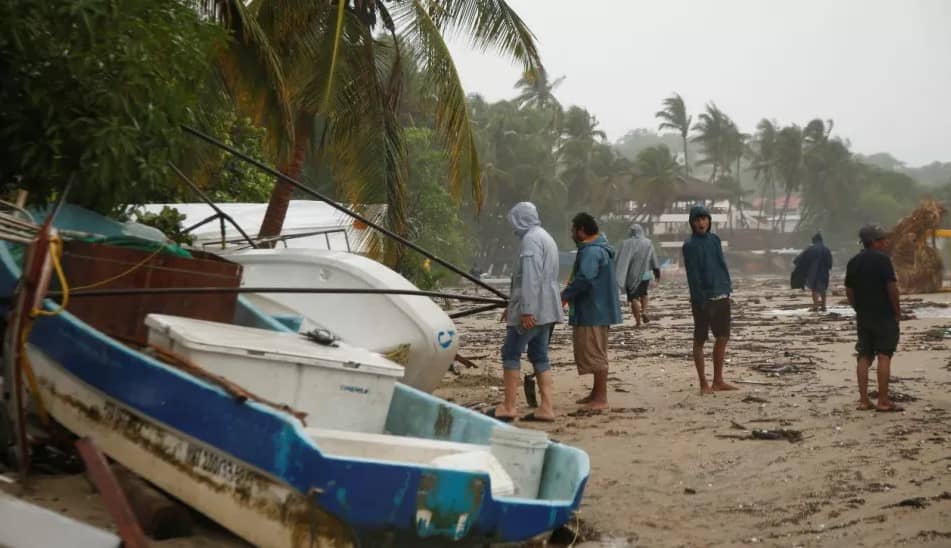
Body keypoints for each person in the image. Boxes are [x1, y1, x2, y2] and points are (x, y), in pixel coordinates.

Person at [491, 202, 563, 422]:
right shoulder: (546, 237)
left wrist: (526, 311)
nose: (513, 226)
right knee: (540, 355)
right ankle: (546, 407)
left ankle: (509, 406)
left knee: (511, 353)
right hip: (548, 310)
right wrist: (511, 307)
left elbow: (530, 279)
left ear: (520, 219)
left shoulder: (530, 240)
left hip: (534, 310)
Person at [562, 213, 622, 410]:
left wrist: (565, 295)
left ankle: (601, 398)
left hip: (593, 310)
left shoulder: (591, 252)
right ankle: (596, 393)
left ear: (580, 230)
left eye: (573, 230)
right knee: (598, 352)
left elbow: (585, 279)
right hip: (600, 309)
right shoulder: (599, 249)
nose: (572, 234)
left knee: (595, 354)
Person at [845, 224, 902, 412]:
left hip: (864, 316)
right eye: (882, 239)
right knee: (884, 355)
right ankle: (883, 401)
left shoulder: (853, 261)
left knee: (864, 355)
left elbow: (849, 290)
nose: (885, 242)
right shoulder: (883, 260)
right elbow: (891, 288)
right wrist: (897, 311)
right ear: (873, 242)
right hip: (883, 314)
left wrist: (857, 308)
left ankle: (863, 400)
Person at [682, 205, 737, 395]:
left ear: (709, 221)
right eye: (697, 220)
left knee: (722, 337)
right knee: (699, 341)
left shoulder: (715, 240)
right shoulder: (689, 245)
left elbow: (721, 264)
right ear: (692, 223)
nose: (701, 223)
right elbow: (692, 275)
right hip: (702, 300)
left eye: (704, 219)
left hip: (721, 294)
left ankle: (718, 380)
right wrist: (699, 299)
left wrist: (727, 288)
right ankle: (703, 383)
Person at [615, 223, 661, 327]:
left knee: (633, 298)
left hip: (631, 275)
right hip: (646, 274)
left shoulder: (625, 243)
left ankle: (638, 322)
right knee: (644, 294)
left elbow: (620, 260)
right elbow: (654, 259)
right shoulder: (648, 242)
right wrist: (657, 274)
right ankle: (644, 311)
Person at [792, 232, 833, 312]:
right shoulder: (826, 249)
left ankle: (815, 306)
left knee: (814, 289)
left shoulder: (810, 249)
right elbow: (829, 264)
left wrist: (799, 266)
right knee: (823, 289)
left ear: (813, 240)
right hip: (824, 272)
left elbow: (800, 259)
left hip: (813, 272)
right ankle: (824, 306)